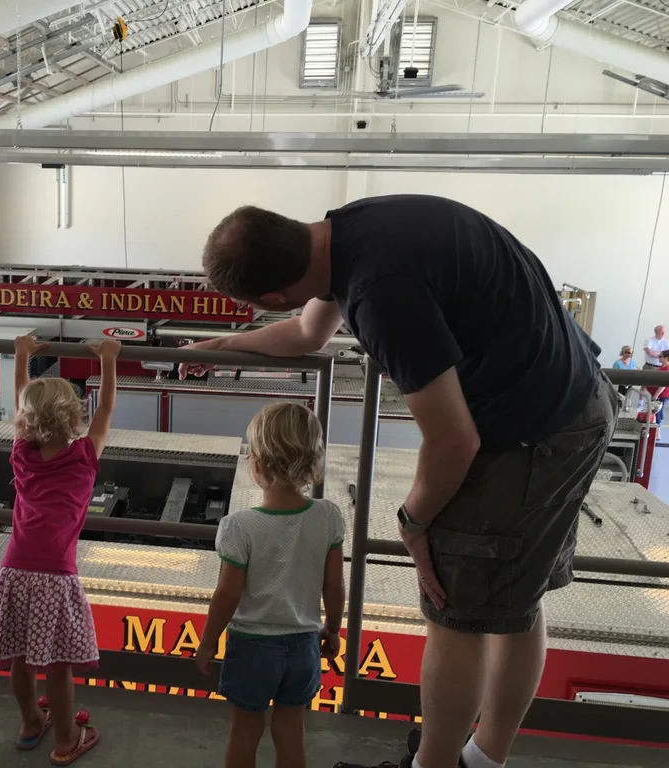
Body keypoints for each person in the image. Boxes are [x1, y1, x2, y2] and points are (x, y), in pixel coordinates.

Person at [185, 195, 616, 768]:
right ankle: (483, 757)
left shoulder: (381, 294)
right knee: (517, 599)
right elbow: (307, 335)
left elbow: (453, 440)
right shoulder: (348, 228)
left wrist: (413, 523)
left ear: (273, 296)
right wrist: (216, 347)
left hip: (533, 435)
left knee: (455, 613)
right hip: (573, 399)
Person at [0, 335, 119, 766]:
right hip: (57, 576)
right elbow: (107, 409)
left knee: (21, 658)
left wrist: (22, 355)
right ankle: (66, 738)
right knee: (58, 665)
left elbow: (20, 401)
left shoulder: (22, 454)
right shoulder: (83, 458)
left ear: (25, 420)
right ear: (75, 415)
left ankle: (29, 724)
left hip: (13, 571)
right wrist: (109, 361)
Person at [196, 402, 345, 768]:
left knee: (245, 734)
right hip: (304, 645)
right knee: (291, 732)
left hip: (252, 647)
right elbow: (334, 586)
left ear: (258, 464)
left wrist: (208, 641)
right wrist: (333, 629)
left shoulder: (239, 526)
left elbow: (227, 595)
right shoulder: (328, 517)